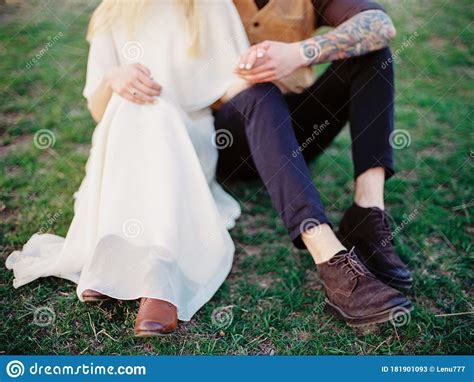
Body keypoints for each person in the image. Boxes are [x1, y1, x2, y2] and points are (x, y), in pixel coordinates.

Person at [6, 0, 250, 336]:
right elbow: (97, 109)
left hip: (187, 138)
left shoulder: (209, 3)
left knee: (156, 106)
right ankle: (125, 262)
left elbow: (235, 84)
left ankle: (155, 272)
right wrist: (114, 77)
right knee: (132, 101)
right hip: (124, 135)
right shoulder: (113, 9)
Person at [214, 0, 413, 326]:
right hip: (229, 141)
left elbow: (379, 24)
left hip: (293, 135)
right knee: (259, 93)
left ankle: (367, 210)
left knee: (373, 53)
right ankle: (329, 258)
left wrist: (298, 53)